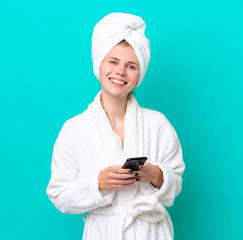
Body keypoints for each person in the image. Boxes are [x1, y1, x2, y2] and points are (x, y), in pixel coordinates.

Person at [46, 12, 185, 240]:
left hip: (150, 232)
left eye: (131, 66)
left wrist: (156, 174)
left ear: (139, 74)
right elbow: (59, 194)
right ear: (99, 63)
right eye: (113, 61)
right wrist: (98, 183)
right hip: (102, 232)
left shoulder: (158, 124)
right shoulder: (74, 129)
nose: (120, 72)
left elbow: (176, 184)